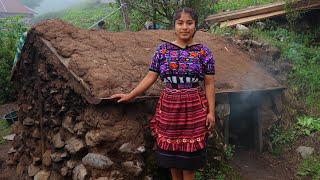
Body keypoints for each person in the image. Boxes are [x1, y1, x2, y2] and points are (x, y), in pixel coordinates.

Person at [111, 7, 216, 180]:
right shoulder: (163, 51)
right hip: (169, 107)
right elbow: (151, 76)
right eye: (180, 23)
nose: (184, 27)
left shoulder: (204, 53)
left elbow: (210, 84)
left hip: (195, 107)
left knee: (189, 165)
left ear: (195, 26)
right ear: (174, 26)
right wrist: (130, 95)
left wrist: (211, 112)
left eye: (189, 23)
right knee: (172, 160)